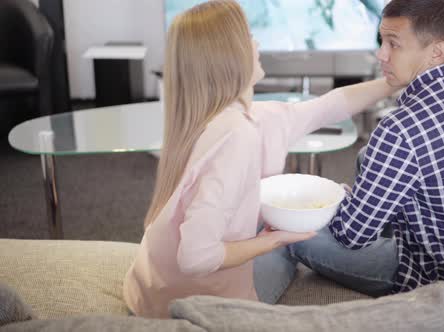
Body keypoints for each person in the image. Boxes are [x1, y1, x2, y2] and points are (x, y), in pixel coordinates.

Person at [123, 0, 398, 318]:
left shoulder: (215, 116)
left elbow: (329, 106)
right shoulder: (237, 137)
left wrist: (394, 81)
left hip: (150, 284)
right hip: (189, 302)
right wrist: (272, 240)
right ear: (230, 56)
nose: (257, 44)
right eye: (249, 36)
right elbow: (195, 257)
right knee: (294, 244)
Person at [290, 0, 444, 299]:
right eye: (381, 41)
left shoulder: (399, 129)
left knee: (291, 235)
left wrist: (338, 198)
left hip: (433, 278)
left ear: (436, 50)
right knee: (366, 158)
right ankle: (369, 211)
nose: (380, 54)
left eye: (393, 44)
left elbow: (351, 235)